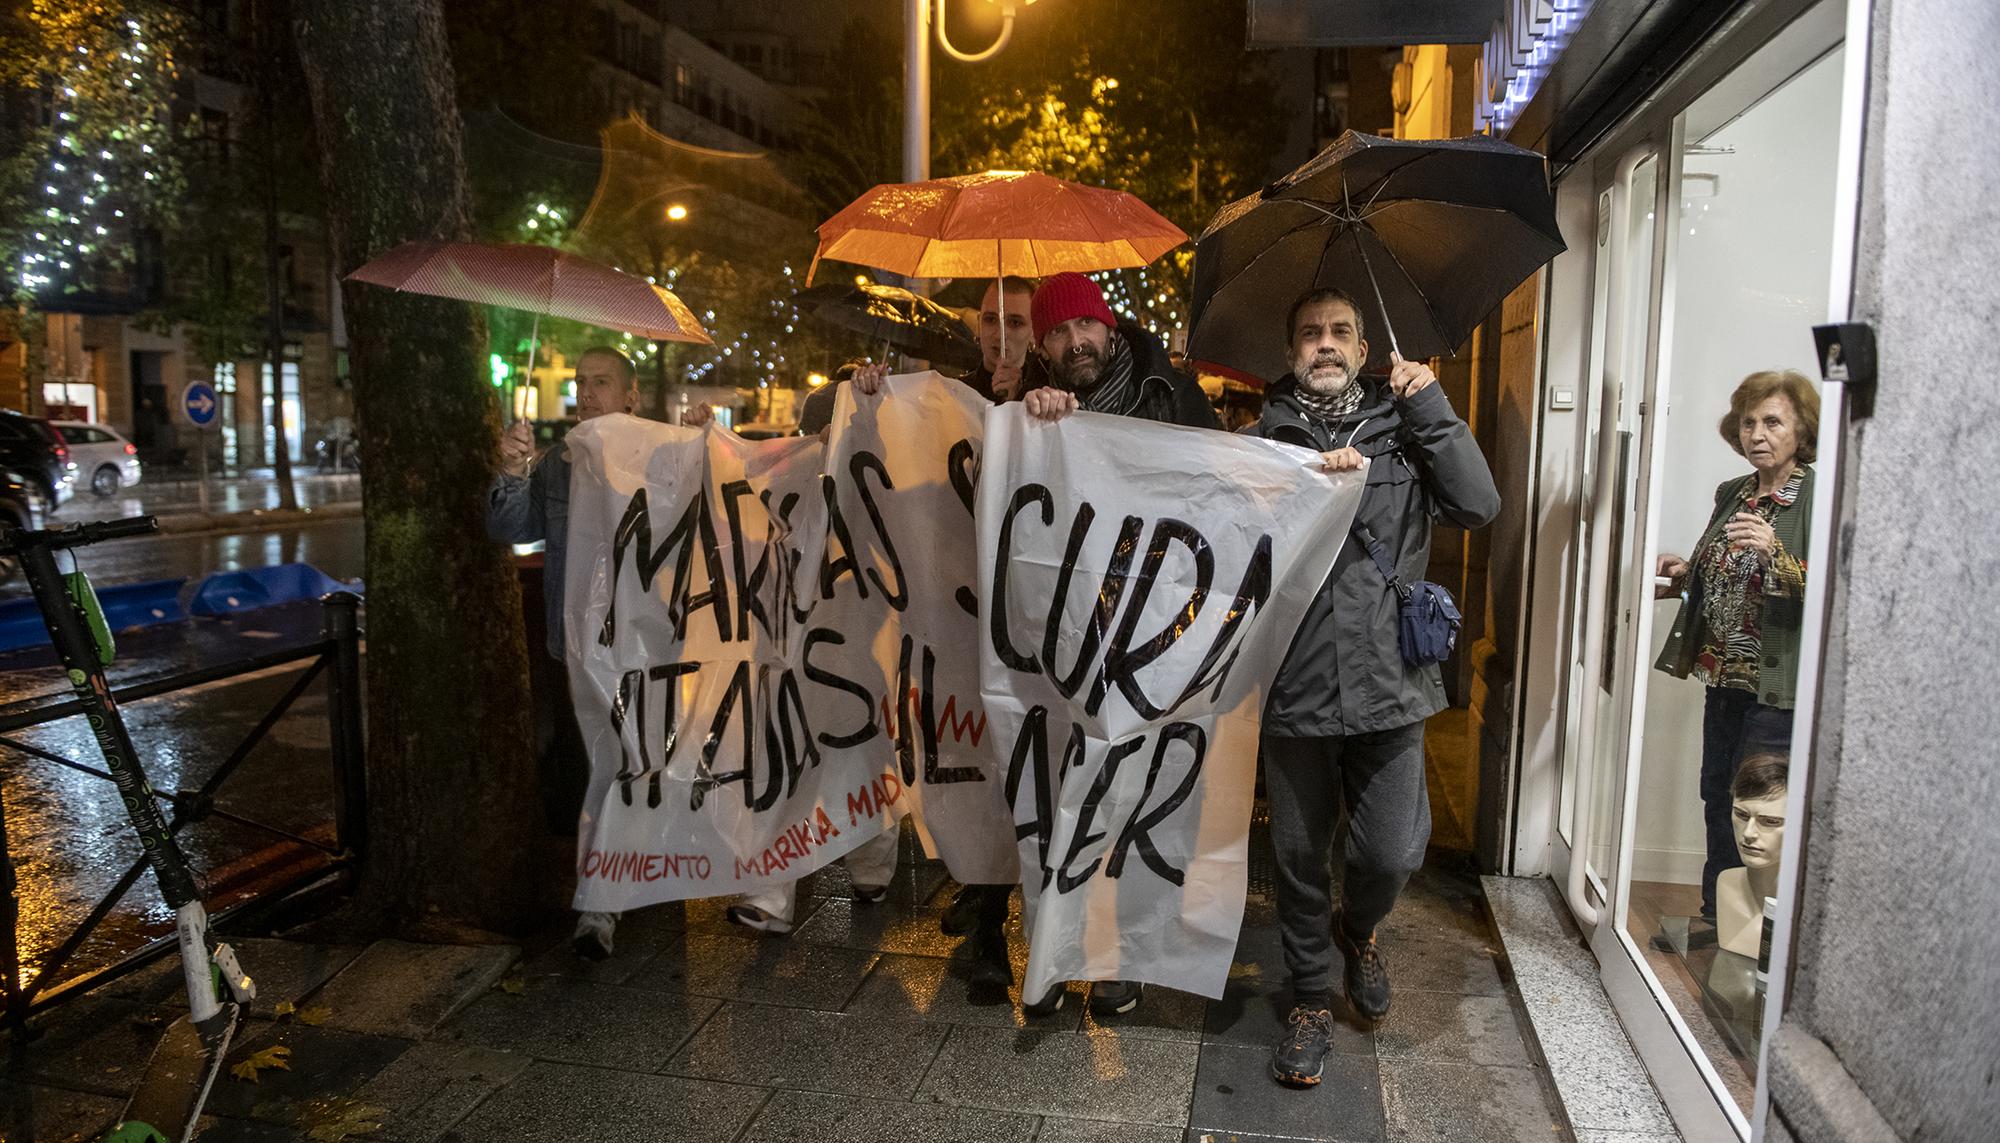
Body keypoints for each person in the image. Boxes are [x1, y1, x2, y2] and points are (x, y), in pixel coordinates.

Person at [931, 271, 1219, 1019]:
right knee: (1055, 796)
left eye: (1082, 326)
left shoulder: (1171, 391)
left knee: (1128, 796)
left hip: (1144, 637)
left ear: (1109, 325)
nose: (1072, 342)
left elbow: (1224, 484)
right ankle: (1055, 949)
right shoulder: (1031, 403)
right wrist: (1020, 418)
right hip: (1056, 641)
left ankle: (1119, 958)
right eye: (1055, 332)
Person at [1247, 288, 1499, 1088]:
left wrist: (1431, 407)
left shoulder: (1405, 428)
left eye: (1341, 333)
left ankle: (1359, 929)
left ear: (1363, 350)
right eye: (1310, 332)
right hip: (1296, 685)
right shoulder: (1263, 440)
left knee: (1390, 851)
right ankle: (1311, 999)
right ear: (1292, 353)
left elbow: (1477, 503)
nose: (1325, 344)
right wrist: (1301, 487)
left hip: (1392, 685)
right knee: (1294, 852)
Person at [489, 346, 653, 960]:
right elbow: (508, 530)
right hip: (577, 650)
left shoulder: (659, 455)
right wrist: (512, 471)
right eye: (582, 383)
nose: (587, 393)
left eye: (602, 382)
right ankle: (600, 906)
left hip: (644, 648)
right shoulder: (557, 465)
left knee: (637, 769)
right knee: (596, 773)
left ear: (631, 395)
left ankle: (643, 876)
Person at [1653, 369, 1817, 924]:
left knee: (1763, 809)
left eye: (1773, 421)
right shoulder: (1734, 493)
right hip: (1721, 677)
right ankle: (1716, 915)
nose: (1757, 433)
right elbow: (1717, 572)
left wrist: (1778, 555)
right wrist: (1683, 572)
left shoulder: (1818, 496)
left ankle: (1766, 925)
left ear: (1801, 429)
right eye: (1749, 422)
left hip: (1777, 687)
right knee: (1718, 796)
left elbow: (1836, 591)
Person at [964, 276, 1049, 403]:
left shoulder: (1047, 400)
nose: (999, 335)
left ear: (1034, 332)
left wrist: (1016, 401)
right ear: (978, 324)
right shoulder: (954, 393)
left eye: (1015, 323)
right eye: (990, 319)